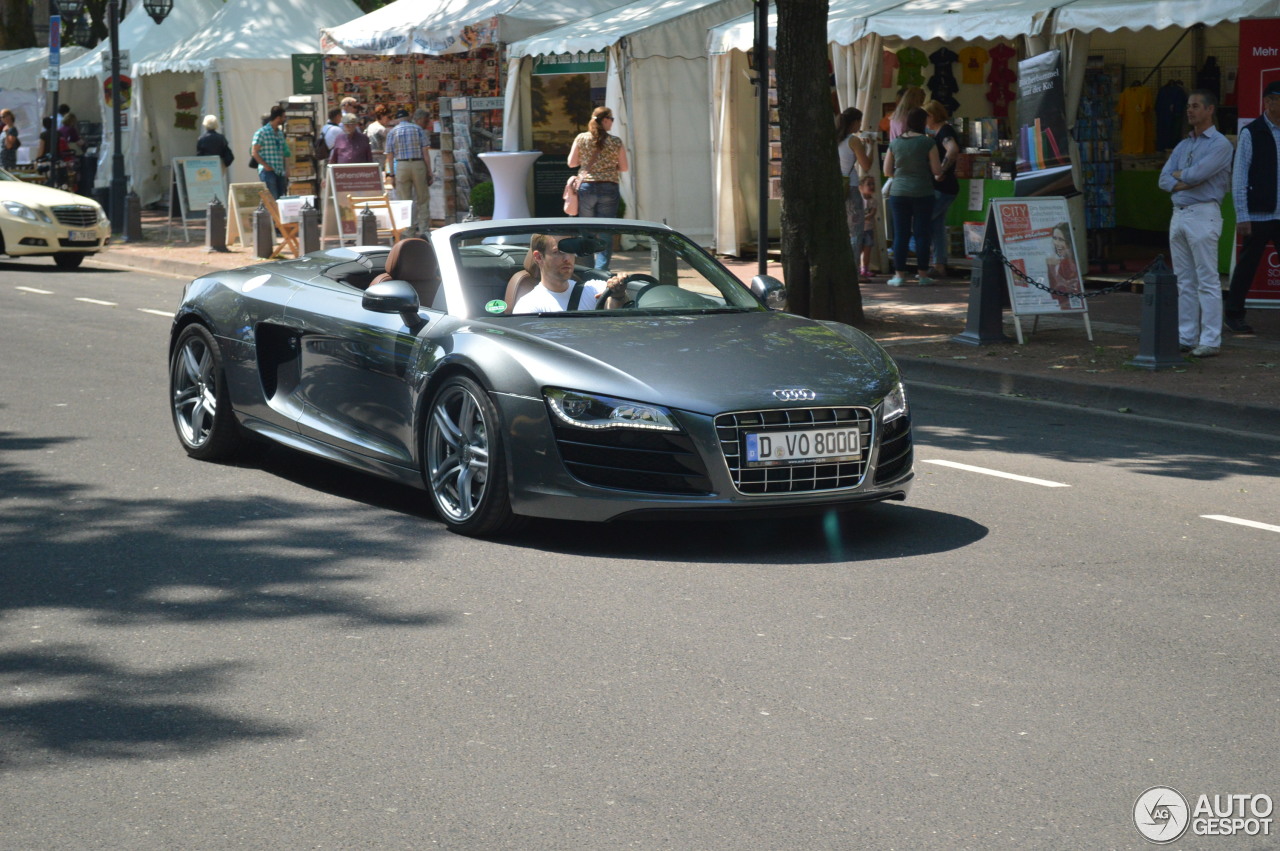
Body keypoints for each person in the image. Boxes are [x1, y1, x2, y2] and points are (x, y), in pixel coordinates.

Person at [1158, 89, 1234, 357]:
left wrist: (1181, 178)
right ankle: (1186, 336)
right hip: (1179, 213)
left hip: (1203, 213)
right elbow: (1163, 179)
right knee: (1184, 280)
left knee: (1207, 279)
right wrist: (1185, 179)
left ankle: (1211, 339)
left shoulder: (1220, 144)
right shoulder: (1184, 144)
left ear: (1210, 109)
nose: (1190, 110)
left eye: (1196, 106)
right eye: (1189, 106)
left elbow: (1200, 174)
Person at [1225, 80, 1280, 336]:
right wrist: (1242, 215)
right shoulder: (1252, 132)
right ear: (1268, 102)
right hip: (1258, 213)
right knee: (1247, 266)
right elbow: (1239, 176)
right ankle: (1234, 314)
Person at [883, 107, 942, 286]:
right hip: (923, 192)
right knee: (922, 233)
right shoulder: (928, 143)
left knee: (900, 233)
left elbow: (887, 171)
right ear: (923, 122)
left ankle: (899, 275)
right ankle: (922, 274)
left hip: (899, 192)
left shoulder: (895, 143)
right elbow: (936, 170)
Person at [568, 106, 629, 269]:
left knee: (586, 230)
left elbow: (571, 163)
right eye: (612, 120)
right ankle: (601, 270)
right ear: (605, 120)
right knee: (605, 231)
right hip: (609, 187)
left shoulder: (581, 138)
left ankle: (587, 268)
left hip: (587, 187)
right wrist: (608, 168)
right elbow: (624, 167)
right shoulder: (615, 141)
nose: (612, 123)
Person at [512, 233, 631, 313]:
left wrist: (618, 295)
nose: (567, 259)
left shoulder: (594, 289)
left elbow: (617, 323)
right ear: (538, 257)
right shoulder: (529, 306)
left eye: (570, 251)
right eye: (558, 252)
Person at [924, 100, 960, 279]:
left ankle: (932, 262)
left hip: (943, 186)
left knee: (926, 221)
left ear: (932, 116)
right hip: (945, 186)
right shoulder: (940, 132)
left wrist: (941, 171)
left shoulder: (944, 131)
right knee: (936, 225)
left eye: (926, 116)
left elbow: (952, 150)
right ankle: (939, 264)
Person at [384, 107, 433, 236]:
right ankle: (424, 230)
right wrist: (429, 171)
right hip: (418, 164)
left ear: (398, 119)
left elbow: (389, 156)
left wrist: (392, 175)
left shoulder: (392, 132)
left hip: (401, 165)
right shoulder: (418, 129)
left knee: (405, 200)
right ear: (409, 117)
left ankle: (409, 230)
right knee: (422, 199)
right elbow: (425, 153)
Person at [836, 107, 872, 262]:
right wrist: (870, 148)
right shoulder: (854, 140)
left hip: (836, 185)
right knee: (856, 230)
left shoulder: (835, 138)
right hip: (850, 186)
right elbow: (866, 165)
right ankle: (854, 269)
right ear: (855, 122)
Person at [252, 104, 291, 199]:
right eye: (284, 117)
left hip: (279, 171)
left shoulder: (280, 133)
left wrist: (286, 169)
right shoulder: (262, 132)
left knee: (281, 199)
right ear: (278, 118)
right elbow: (254, 152)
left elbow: (284, 152)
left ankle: (278, 214)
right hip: (267, 172)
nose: (285, 119)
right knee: (272, 200)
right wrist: (265, 166)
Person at [1045, 223, 1084, 310]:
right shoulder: (1061, 260)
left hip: (1067, 306)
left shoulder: (1067, 263)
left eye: (1061, 239)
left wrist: (1050, 267)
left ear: (1068, 241)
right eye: (1055, 238)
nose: (1056, 243)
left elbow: (1058, 293)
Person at [857, 174, 880, 277]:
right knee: (858, 250)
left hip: (869, 230)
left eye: (873, 184)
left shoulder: (873, 201)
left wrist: (866, 217)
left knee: (867, 251)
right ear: (861, 187)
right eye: (868, 184)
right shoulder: (858, 200)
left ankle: (864, 269)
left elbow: (872, 213)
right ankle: (857, 269)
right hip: (858, 230)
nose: (872, 186)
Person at [365, 104, 391, 172]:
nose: (389, 120)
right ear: (382, 116)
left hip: (369, 156)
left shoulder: (370, 126)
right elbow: (387, 148)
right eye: (388, 117)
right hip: (380, 157)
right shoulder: (382, 129)